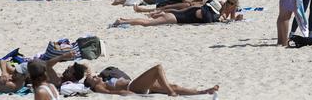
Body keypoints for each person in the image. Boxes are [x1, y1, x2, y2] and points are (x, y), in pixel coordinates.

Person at [84, 64, 219, 97]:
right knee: (157, 69)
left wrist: (88, 74)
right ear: (92, 84)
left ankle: (203, 92)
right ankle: (170, 93)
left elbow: (87, 69)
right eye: (93, 78)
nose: (95, 76)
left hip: (135, 85)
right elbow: (111, 93)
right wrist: (126, 94)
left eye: (94, 75)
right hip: (132, 87)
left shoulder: (102, 80)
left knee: (174, 85)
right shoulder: (99, 87)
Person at [112, 0, 240, 26]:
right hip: (174, 18)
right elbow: (207, 18)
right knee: (147, 24)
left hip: (175, 16)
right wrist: (221, 18)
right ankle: (122, 21)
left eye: (231, 3)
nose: (229, 4)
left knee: (148, 23)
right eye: (229, 2)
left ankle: (123, 19)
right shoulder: (209, 13)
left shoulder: (210, 11)